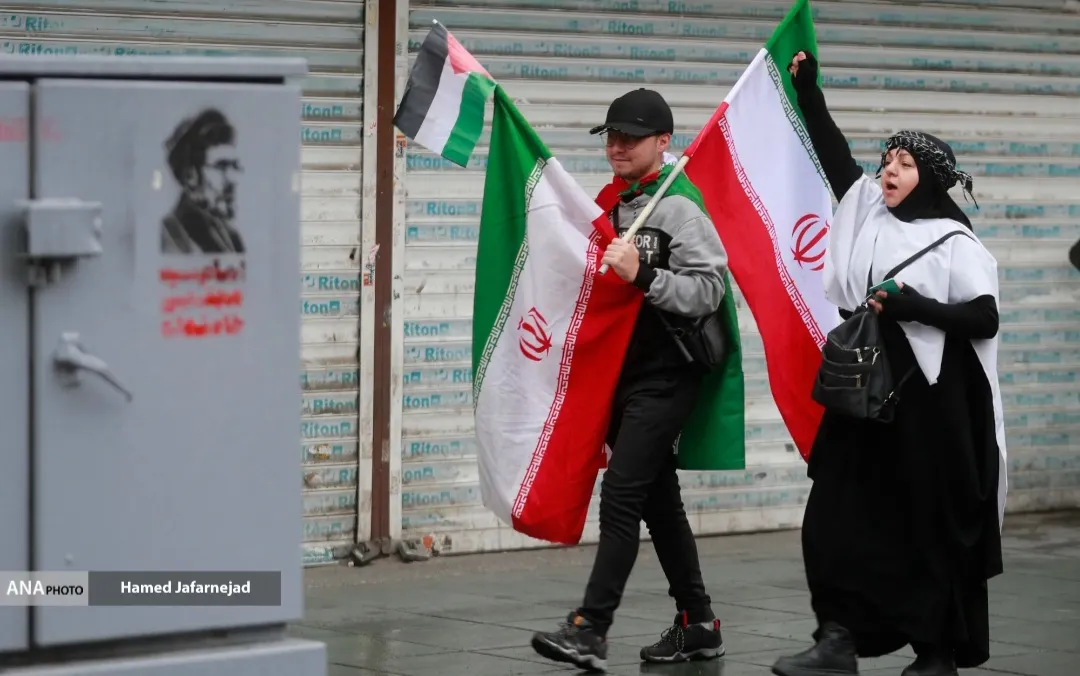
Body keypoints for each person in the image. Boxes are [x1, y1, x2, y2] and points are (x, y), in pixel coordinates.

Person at [770, 52, 1007, 676]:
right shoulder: (866, 208)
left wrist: (913, 306)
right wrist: (808, 91)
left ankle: (935, 653)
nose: (888, 172)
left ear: (930, 177)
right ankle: (836, 640)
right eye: (886, 161)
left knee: (926, 527)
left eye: (904, 163)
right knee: (832, 517)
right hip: (863, 396)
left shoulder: (956, 241)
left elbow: (985, 318)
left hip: (929, 407)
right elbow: (832, 153)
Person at [529, 88, 729, 672]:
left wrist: (644, 274)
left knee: (620, 493)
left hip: (667, 376)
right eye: (611, 136)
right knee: (658, 503)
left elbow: (709, 290)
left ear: (663, 142)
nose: (617, 147)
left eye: (631, 138)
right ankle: (699, 624)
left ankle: (590, 629)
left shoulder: (679, 208)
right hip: (617, 377)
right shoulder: (607, 204)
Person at [161, 108, 246, 255]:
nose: (232, 180)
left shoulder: (233, 238)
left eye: (234, 167)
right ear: (190, 177)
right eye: (221, 167)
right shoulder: (171, 238)